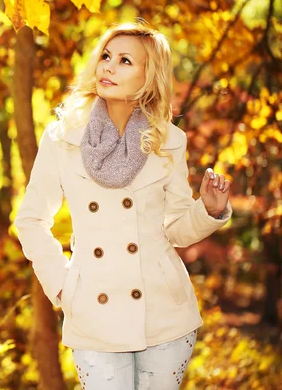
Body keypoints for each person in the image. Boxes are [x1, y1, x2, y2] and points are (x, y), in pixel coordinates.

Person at [13, 20, 232, 390]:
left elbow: (176, 227)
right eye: (106, 56)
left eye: (125, 61)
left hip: (164, 313)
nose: (108, 67)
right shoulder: (63, 136)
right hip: (92, 311)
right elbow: (31, 219)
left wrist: (207, 210)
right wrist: (64, 287)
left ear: (149, 77)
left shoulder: (169, 141)